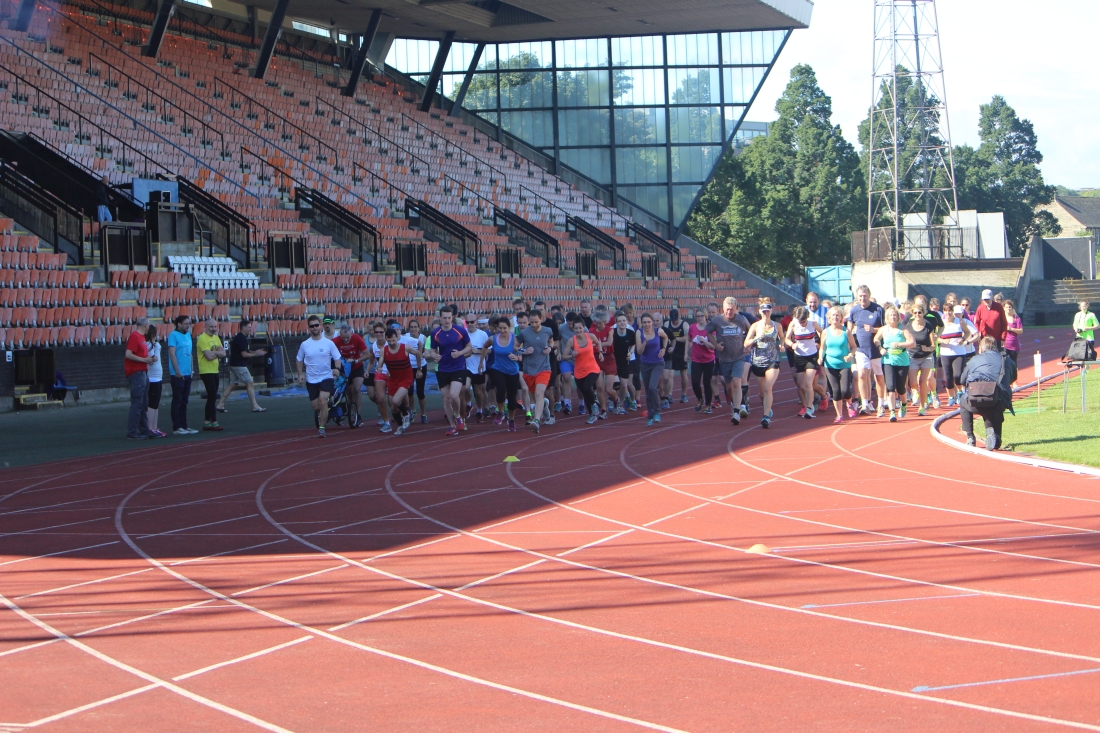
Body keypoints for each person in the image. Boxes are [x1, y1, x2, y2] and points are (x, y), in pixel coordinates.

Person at [959, 336, 1016, 450]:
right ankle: (996, 439)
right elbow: (1013, 378)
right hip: (999, 401)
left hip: (975, 400)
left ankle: (970, 437)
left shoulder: (974, 360)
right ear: (996, 347)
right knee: (996, 404)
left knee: (963, 401)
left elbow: (962, 380)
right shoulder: (1007, 360)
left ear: (981, 348)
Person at [706, 296, 752, 425]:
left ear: (736, 309)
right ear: (723, 309)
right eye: (727, 309)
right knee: (729, 386)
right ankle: (735, 403)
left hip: (739, 356)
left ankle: (737, 412)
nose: (729, 312)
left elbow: (751, 331)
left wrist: (748, 345)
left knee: (737, 382)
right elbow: (708, 332)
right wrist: (716, 345)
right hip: (724, 358)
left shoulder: (741, 319)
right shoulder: (717, 320)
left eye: (731, 309)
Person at [429, 306, 473, 436]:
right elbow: (432, 350)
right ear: (440, 318)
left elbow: (469, 347)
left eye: (449, 318)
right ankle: (452, 425)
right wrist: (434, 356)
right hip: (443, 368)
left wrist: (460, 353)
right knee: (446, 399)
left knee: (454, 395)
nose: (447, 320)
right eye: (444, 318)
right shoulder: (435, 333)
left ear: (452, 317)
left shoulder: (460, 331)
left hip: (458, 367)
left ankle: (458, 416)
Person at [296, 315, 342, 438]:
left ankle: (322, 428)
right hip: (311, 379)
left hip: (326, 377)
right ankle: (331, 396)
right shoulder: (305, 344)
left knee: (322, 402)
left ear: (320, 326)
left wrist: (337, 369)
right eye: (312, 326)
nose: (315, 328)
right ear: (309, 328)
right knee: (316, 406)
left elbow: (337, 358)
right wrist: (300, 374)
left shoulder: (329, 343)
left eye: (316, 325)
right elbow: (299, 359)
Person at [744, 299, 783, 428]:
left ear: (771, 311)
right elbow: (745, 343)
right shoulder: (755, 326)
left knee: (768, 388)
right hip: (758, 362)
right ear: (760, 312)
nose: (766, 313)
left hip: (773, 360)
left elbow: (782, 337)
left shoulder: (777, 326)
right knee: (762, 394)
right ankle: (766, 406)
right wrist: (756, 338)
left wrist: (782, 344)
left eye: (768, 311)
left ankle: (765, 417)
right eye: (764, 311)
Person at [847, 285, 886, 417]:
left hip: (876, 349)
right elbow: (849, 328)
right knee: (862, 375)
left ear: (869, 295)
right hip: (861, 348)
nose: (863, 298)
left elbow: (885, 328)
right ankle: (865, 404)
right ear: (857, 297)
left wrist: (873, 330)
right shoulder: (854, 310)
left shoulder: (878, 309)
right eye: (860, 296)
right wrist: (848, 340)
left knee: (879, 377)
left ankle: (881, 404)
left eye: (865, 296)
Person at [515, 308, 554, 433]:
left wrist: (550, 348)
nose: (534, 324)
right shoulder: (524, 333)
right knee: (534, 397)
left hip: (544, 368)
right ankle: (544, 406)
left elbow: (551, 341)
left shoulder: (547, 331)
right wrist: (524, 351)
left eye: (536, 322)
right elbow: (515, 346)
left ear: (541, 319)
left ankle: (536, 420)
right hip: (529, 370)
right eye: (531, 322)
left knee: (539, 393)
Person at [216, 319, 268, 415]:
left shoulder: (239, 338)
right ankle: (255, 406)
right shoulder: (242, 339)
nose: (250, 329)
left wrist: (256, 352)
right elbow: (244, 354)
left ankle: (220, 404)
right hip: (239, 365)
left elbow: (246, 351)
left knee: (233, 384)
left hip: (234, 365)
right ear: (243, 328)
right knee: (250, 383)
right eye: (249, 327)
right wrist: (255, 355)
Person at [874, 306, 916, 422]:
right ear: (887, 317)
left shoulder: (903, 329)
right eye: (891, 315)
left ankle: (903, 404)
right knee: (890, 386)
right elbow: (876, 339)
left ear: (898, 317)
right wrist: (880, 348)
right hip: (888, 360)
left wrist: (899, 344)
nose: (893, 317)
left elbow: (912, 343)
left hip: (902, 361)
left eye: (894, 315)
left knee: (901, 388)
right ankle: (892, 412)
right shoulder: (883, 329)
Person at [382, 325, 423, 435]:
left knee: (396, 401)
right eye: (389, 341)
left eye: (393, 340)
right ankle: (400, 426)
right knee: (393, 407)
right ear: (386, 339)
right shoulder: (384, 350)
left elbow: (418, 353)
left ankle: (406, 414)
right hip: (393, 379)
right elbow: (381, 360)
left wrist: (419, 368)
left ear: (397, 338)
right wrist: (381, 368)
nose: (392, 343)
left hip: (406, 378)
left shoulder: (405, 347)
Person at [818, 306, 857, 424]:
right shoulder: (825, 332)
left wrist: (850, 355)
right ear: (829, 318)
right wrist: (820, 357)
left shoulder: (846, 331)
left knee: (845, 390)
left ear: (841, 318)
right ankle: (839, 415)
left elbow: (854, 347)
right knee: (836, 391)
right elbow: (822, 348)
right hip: (830, 365)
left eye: (837, 315)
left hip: (844, 364)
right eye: (833, 315)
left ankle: (849, 403)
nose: (835, 317)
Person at [485, 316, 523, 431]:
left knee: (512, 398)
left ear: (509, 327)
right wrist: (482, 362)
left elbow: (522, 354)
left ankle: (511, 419)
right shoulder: (493, 339)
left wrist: (517, 357)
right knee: (500, 390)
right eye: (500, 328)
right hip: (498, 369)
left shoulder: (515, 339)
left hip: (512, 371)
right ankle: (501, 412)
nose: (502, 331)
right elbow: (484, 347)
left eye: (504, 328)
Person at [562, 316, 603, 425]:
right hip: (579, 371)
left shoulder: (590, 336)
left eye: (580, 328)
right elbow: (564, 356)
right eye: (576, 328)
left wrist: (600, 353)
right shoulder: (571, 341)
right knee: (585, 393)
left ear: (584, 327)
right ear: (573, 329)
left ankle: (594, 404)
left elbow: (598, 343)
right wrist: (572, 355)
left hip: (592, 368)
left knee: (587, 387)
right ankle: (592, 414)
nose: (578, 330)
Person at [783, 306, 822, 419]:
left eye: (804, 321)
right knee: (801, 385)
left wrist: (820, 344)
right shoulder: (793, 324)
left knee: (808, 383)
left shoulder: (813, 323)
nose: (802, 324)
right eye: (800, 321)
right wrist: (792, 344)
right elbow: (786, 338)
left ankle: (809, 408)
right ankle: (806, 405)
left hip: (812, 355)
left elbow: (822, 333)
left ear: (807, 318)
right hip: (799, 356)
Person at [330, 322, 368, 427]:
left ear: (351, 334)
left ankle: (358, 414)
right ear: (340, 335)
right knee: (348, 392)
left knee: (356, 389)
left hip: (356, 367)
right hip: (343, 368)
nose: (346, 340)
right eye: (343, 338)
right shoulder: (335, 341)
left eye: (348, 337)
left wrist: (356, 360)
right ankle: (351, 410)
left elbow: (367, 354)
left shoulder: (357, 339)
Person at [124, 316, 155, 440]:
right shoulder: (135, 336)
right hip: (136, 372)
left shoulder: (141, 337)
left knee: (143, 402)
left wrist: (148, 360)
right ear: (145, 325)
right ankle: (132, 432)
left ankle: (144, 429)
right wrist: (144, 360)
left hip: (142, 371)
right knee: (137, 403)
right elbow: (128, 354)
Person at [939, 305, 976, 407]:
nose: (948, 313)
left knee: (957, 375)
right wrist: (943, 341)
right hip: (945, 353)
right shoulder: (941, 323)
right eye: (946, 311)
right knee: (948, 377)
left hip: (959, 352)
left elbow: (967, 332)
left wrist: (963, 339)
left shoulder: (959, 322)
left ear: (953, 312)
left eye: (949, 311)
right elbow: (935, 337)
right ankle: (951, 397)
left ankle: (959, 392)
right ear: (943, 312)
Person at [635, 313, 668, 426]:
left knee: (653, 387)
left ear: (652, 322)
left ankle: (656, 412)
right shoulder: (639, 333)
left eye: (649, 322)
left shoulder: (658, 331)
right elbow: (639, 351)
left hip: (658, 363)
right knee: (648, 391)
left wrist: (664, 348)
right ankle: (650, 416)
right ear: (641, 323)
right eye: (644, 322)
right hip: (645, 364)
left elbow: (666, 337)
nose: (647, 324)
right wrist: (645, 341)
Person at [905, 303, 937, 417]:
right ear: (912, 314)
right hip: (913, 356)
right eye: (915, 313)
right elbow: (905, 340)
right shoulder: (908, 326)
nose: (917, 315)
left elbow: (933, 345)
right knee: (913, 383)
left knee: (923, 382)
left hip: (926, 357)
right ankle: (916, 392)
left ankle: (922, 407)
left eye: (920, 312)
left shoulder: (928, 325)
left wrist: (927, 348)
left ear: (923, 313)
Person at [167, 315, 196, 435]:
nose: (188, 326)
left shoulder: (188, 335)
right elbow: (172, 354)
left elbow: (190, 354)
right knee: (177, 400)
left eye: (189, 323)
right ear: (179, 324)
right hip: (178, 374)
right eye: (186, 323)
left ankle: (184, 425)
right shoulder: (173, 335)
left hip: (188, 373)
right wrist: (177, 371)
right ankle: (177, 426)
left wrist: (192, 370)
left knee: (184, 401)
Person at [196, 319, 225, 432]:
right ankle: (214, 421)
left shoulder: (216, 338)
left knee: (211, 397)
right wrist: (217, 353)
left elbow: (223, 353)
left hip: (214, 370)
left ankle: (207, 422)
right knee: (212, 396)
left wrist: (214, 353)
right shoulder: (202, 338)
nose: (214, 329)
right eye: (211, 327)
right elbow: (208, 356)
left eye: (215, 327)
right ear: (206, 327)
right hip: (206, 371)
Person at [687, 308, 716, 413]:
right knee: (695, 382)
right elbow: (688, 340)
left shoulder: (710, 329)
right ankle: (700, 399)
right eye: (698, 316)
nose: (699, 318)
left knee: (707, 383)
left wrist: (704, 341)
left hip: (708, 359)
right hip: (696, 359)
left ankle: (708, 405)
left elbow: (713, 346)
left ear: (705, 316)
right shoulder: (692, 327)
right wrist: (686, 353)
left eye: (701, 316)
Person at [465, 313, 491, 423]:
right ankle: (468, 404)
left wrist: (478, 351)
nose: (470, 324)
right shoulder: (463, 333)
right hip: (466, 366)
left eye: (472, 322)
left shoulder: (482, 335)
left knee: (478, 392)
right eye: (468, 322)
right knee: (465, 388)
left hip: (478, 367)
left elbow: (489, 350)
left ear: (476, 322)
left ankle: (480, 410)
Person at [368, 322, 393, 433]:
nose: (378, 334)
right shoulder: (373, 346)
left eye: (381, 332)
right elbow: (371, 362)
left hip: (392, 373)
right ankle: (386, 422)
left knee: (392, 401)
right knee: (380, 399)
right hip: (380, 373)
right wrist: (367, 371)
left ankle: (404, 412)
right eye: (376, 332)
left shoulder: (391, 343)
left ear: (385, 332)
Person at [611, 310, 637, 414]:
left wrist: (630, 352)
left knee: (624, 385)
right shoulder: (612, 333)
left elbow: (633, 345)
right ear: (616, 323)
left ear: (627, 322)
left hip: (624, 362)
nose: (622, 323)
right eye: (620, 321)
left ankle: (620, 404)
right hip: (613, 361)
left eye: (624, 320)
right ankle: (614, 402)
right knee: (616, 384)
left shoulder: (630, 333)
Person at [662, 308, 690, 407]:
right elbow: (664, 335)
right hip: (671, 351)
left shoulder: (684, 324)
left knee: (683, 373)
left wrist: (674, 338)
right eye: (672, 319)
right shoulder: (667, 324)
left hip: (681, 351)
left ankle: (684, 394)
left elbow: (687, 338)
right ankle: (669, 394)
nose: (674, 321)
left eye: (676, 319)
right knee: (670, 373)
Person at [145, 324, 166, 438]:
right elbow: (151, 359)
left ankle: (154, 427)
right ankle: (150, 428)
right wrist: (153, 358)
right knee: (152, 404)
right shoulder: (149, 344)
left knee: (155, 404)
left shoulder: (154, 344)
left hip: (157, 376)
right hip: (152, 377)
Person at [407, 319, 429, 422]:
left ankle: (423, 414)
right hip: (409, 367)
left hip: (421, 366)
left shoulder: (423, 338)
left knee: (420, 392)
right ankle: (412, 410)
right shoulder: (405, 337)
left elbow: (427, 351)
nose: (413, 329)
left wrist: (424, 355)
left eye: (415, 327)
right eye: (411, 327)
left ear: (419, 328)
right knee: (409, 391)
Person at [1003, 300, 1023, 365]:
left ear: (1012, 308)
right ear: (1004, 308)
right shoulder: (1002, 318)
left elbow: (1021, 331)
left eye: (1010, 307)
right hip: (1004, 345)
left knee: (1013, 364)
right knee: (1004, 364)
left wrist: (1011, 329)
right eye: (1006, 307)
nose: (1008, 309)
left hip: (1014, 345)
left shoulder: (1016, 318)